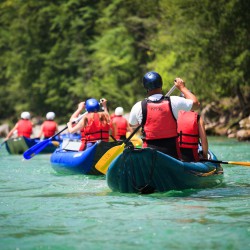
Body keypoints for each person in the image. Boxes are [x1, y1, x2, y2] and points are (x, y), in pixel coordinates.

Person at [129, 71, 200, 158]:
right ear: (161, 84)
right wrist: (182, 88)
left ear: (145, 87)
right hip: (172, 154)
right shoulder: (174, 101)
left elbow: (132, 124)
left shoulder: (138, 106)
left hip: (149, 154)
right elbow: (196, 104)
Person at [177, 93, 208, 161]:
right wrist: (205, 156)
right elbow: (204, 141)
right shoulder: (198, 118)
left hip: (175, 156)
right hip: (191, 157)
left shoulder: (173, 115)